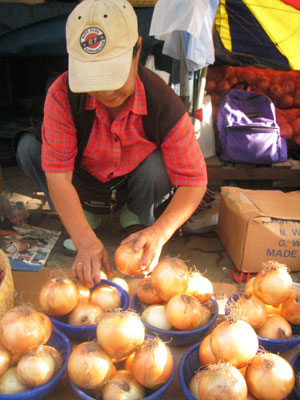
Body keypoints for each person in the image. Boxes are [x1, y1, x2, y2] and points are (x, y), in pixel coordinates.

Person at [16, 0, 207, 288]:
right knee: (30, 148)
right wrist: (84, 240)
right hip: (82, 181)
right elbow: (58, 176)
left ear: (138, 49)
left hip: (132, 183)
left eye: (113, 76)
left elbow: (194, 181)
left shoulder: (165, 105)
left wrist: (160, 232)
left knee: (160, 165)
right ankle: (84, 217)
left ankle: (138, 215)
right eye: (94, 78)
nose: (105, 92)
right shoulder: (61, 95)